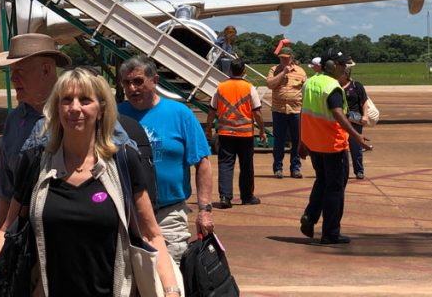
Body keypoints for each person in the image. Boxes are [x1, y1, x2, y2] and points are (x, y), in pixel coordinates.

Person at [0, 68, 179, 297]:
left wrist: (171, 290)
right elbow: (7, 230)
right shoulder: (35, 162)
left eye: (85, 100)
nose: (75, 108)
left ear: (100, 110)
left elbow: (151, 234)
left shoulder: (124, 161)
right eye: (66, 100)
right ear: (57, 109)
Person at [117, 55, 214, 265]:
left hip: (168, 213)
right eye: (127, 82)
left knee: (170, 272)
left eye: (138, 81)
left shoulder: (180, 114)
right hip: (128, 214)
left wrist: (205, 211)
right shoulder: (115, 116)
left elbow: (203, 163)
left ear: (155, 81)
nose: (132, 88)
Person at [0, 33, 71, 222]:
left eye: (20, 70)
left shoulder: (78, 115)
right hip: (25, 235)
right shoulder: (14, 120)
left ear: (46, 70)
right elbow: (6, 188)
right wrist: (3, 240)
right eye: (11, 71)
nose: (13, 78)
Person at [299, 50, 373, 245]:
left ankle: (310, 215)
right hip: (332, 144)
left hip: (314, 142)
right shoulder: (332, 87)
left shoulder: (310, 82)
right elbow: (338, 114)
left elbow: (304, 112)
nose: (345, 69)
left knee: (322, 181)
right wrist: (357, 137)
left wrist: (302, 140)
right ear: (332, 66)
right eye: (343, 65)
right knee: (335, 188)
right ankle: (330, 232)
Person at [206, 58, 265, 208]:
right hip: (245, 134)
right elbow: (257, 112)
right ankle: (247, 196)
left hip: (225, 132)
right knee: (246, 166)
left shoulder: (221, 87)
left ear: (229, 70)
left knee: (225, 164)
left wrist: (208, 128)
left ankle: (225, 197)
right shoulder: (249, 88)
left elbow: (212, 111)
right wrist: (262, 130)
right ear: (244, 71)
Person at [265, 46, 307, 179]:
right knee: (279, 140)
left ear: (291, 58)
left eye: (286, 58)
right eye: (281, 58)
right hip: (279, 111)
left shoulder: (301, 71)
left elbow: (305, 90)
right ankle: (278, 168)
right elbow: (270, 84)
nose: (283, 60)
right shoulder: (274, 69)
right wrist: (283, 72)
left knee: (296, 140)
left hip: (296, 111)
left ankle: (295, 168)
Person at [340, 65, 370, 180]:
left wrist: (365, 116)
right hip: (340, 119)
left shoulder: (356, 86)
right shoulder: (336, 86)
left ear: (346, 75)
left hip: (354, 119)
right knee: (342, 147)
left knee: (356, 146)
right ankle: (343, 171)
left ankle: (359, 170)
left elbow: (364, 101)